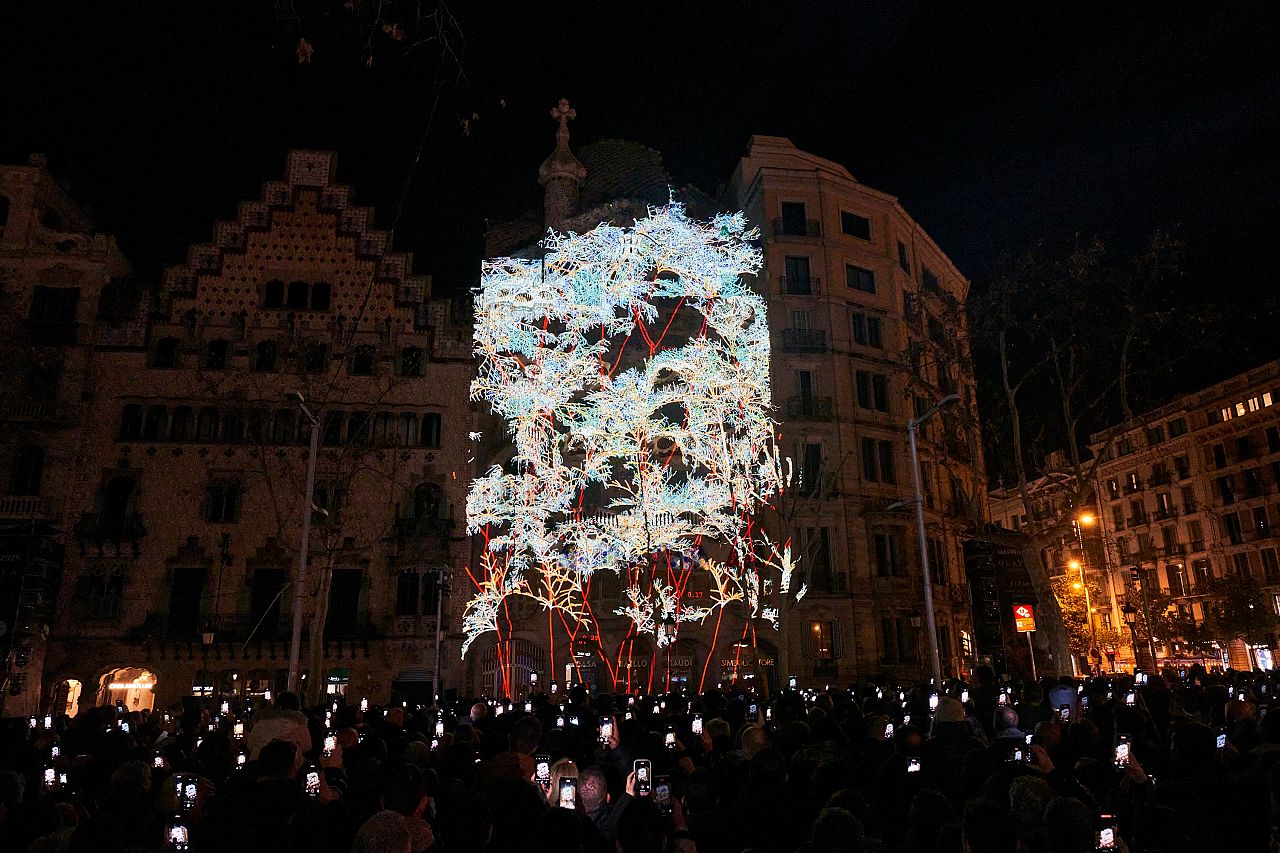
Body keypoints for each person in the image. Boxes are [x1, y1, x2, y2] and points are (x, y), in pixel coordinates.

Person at [245, 691, 311, 761]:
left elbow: (250, 744)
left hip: (260, 763)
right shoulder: (299, 723)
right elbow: (307, 746)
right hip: (288, 765)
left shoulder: (263, 721)